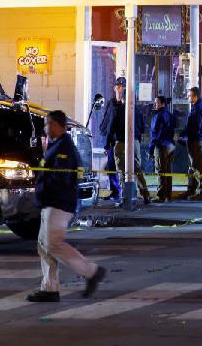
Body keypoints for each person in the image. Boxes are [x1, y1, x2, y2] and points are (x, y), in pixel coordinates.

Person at [28, 110, 106, 302]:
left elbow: (60, 179)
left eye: (47, 124)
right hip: (51, 202)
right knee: (44, 246)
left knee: (53, 244)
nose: (45, 128)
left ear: (56, 125)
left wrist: (44, 192)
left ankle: (91, 272)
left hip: (58, 203)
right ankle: (49, 288)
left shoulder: (64, 148)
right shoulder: (56, 145)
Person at [99, 77, 150, 206]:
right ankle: (145, 194)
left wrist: (107, 144)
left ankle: (125, 197)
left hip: (121, 143)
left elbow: (110, 127)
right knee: (137, 169)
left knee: (122, 172)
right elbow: (143, 128)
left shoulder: (118, 110)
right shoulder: (137, 110)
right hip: (135, 143)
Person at [181, 87, 202, 201]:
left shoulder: (199, 109)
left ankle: (201, 192)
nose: (188, 97)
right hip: (194, 140)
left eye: (190, 95)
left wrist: (187, 135)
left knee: (198, 166)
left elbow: (196, 127)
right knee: (193, 166)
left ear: (196, 97)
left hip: (196, 141)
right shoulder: (196, 107)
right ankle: (192, 190)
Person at [149, 96, 177, 203]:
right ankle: (168, 194)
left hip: (161, 146)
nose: (155, 104)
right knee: (168, 170)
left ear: (162, 104)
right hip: (171, 145)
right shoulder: (171, 115)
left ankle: (161, 195)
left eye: (156, 102)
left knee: (160, 170)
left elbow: (155, 134)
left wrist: (151, 149)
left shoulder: (158, 116)